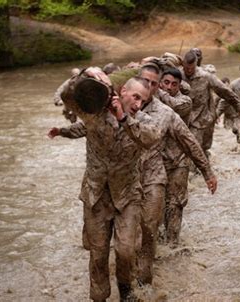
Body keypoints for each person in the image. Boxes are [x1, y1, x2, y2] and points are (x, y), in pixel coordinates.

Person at [48, 72, 161, 302]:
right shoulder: (94, 112)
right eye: (136, 97)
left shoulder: (143, 121)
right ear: (122, 92)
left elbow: (151, 138)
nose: (138, 104)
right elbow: (67, 95)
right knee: (98, 255)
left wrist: (123, 117)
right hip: (96, 194)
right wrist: (85, 74)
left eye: (143, 100)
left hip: (127, 196)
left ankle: (126, 290)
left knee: (126, 251)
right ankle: (98, 298)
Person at [137, 64, 217, 285]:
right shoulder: (134, 105)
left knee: (176, 204)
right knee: (154, 212)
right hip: (154, 166)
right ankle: (155, 245)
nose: (169, 87)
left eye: (174, 84)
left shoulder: (182, 102)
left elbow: (190, 142)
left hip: (178, 162)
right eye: (165, 83)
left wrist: (207, 171)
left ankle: (172, 246)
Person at [181, 50, 240, 154]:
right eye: (186, 68)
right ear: (183, 64)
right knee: (192, 150)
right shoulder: (178, 76)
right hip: (184, 120)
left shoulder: (206, 76)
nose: (188, 71)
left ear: (195, 65)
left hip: (203, 120)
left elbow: (224, 91)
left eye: (191, 68)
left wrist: (239, 106)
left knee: (204, 148)